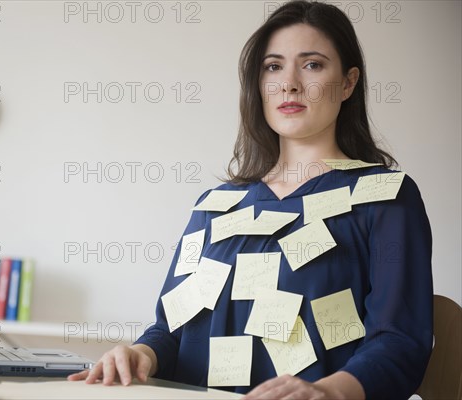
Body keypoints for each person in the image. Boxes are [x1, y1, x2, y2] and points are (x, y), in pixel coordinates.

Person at [69, 1, 433, 398]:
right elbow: (172, 332)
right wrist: (140, 353)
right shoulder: (214, 205)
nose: (288, 83)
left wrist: (327, 393)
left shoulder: (385, 198)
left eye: (312, 65)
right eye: (272, 67)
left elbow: (399, 341)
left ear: (347, 83)